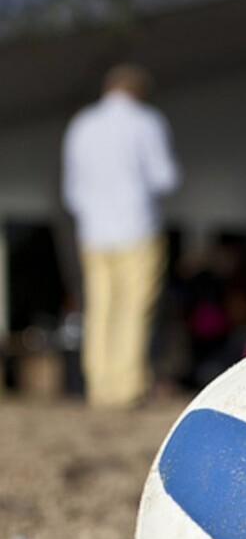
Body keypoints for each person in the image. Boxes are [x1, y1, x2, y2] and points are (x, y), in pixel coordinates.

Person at [61, 63, 181, 408]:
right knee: (134, 307)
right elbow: (165, 177)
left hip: (94, 231)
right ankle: (127, 387)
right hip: (136, 226)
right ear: (138, 90)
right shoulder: (146, 122)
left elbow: (71, 190)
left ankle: (100, 386)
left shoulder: (82, 124)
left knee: (99, 307)